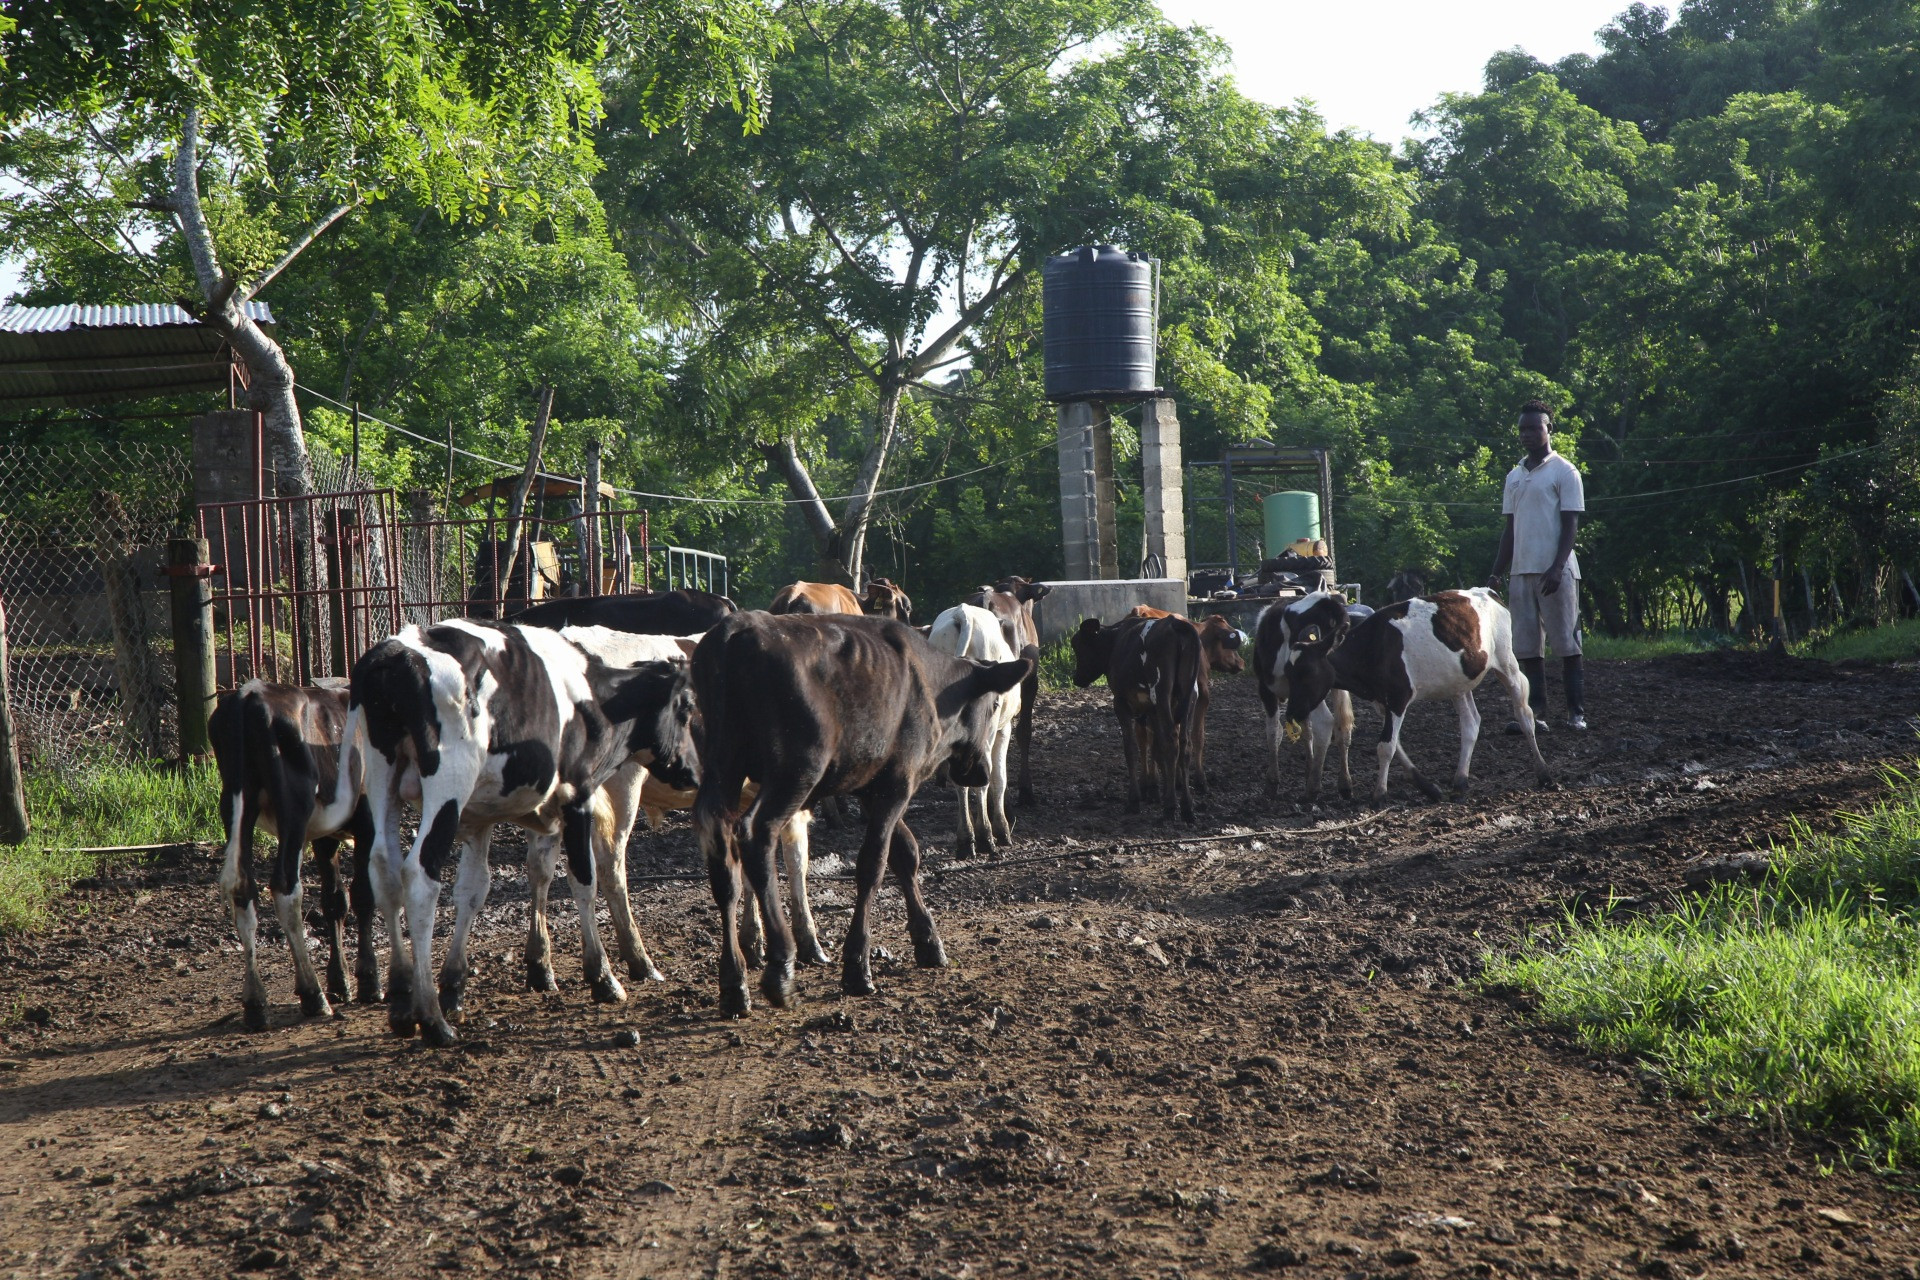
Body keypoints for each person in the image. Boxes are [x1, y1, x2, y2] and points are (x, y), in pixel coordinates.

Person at [1487, 400, 1587, 732]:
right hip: (1521, 573)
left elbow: (1570, 524)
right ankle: (1537, 714)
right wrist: (1496, 572)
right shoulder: (1514, 476)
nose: (1527, 434)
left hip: (1556, 572)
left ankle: (1576, 714)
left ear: (1549, 429)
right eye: (1522, 429)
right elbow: (1510, 530)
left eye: (1534, 427)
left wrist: (1557, 567)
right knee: (1527, 648)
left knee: (1567, 645)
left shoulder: (1565, 471)